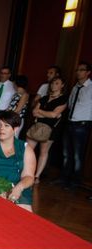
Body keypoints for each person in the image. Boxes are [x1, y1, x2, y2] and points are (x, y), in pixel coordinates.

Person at [0, 111, 36, 211]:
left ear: (16, 129)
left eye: (6, 125)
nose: (1, 128)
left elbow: (29, 176)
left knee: (25, 218)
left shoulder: (25, 148)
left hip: (16, 187)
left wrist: (19, 188)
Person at [29, 77, 67, 182]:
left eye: (57, 83)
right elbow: (34, 112)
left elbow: (54, 114)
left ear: (62, 85)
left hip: (50, 128)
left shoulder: (63, 99)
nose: (53, 85)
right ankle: (27, 172)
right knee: (28, 150)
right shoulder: (44, 97)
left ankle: (37, 176)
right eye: (52, 83)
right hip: (37, 126)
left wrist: (41, 112)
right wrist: (47, 114)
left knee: (43, 152)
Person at [61, 62, 91, 190]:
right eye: (77, 70)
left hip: (82, 124)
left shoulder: (91, 87)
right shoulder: (75, 87)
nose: (78, 72)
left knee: (77, 155)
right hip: (70, 122)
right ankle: (64, 179)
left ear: (88, 72)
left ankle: (75, 182)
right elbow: (70, 104)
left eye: (82, 70)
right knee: (66, 153)